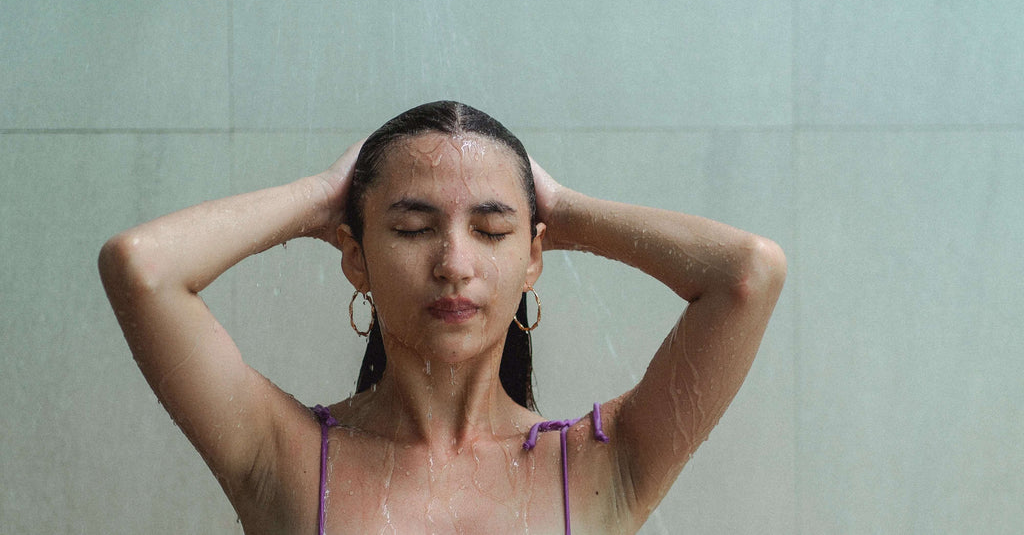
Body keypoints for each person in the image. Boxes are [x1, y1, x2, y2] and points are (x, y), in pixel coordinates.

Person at [99, 101, 786, 534]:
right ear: (356, 260)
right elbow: (142, 267)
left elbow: (747, 273)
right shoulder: (285, 456)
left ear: (534, 259)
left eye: (490, 230)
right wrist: (322, 198)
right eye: (411, 228)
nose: (454, 262)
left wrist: (562, 209)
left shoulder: (602, 464)